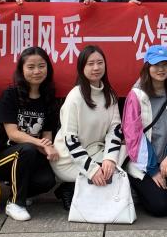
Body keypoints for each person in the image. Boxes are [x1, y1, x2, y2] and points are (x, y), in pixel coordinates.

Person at [123, 45, 167, 217]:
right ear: (147, 67)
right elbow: (133, 137)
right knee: (161, 208)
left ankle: (161, 186)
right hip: (142, 161)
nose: (161, 69)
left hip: (166, 156)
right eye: (156, 65)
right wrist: (153, 169)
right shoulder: (136, 95)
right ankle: (139, 187)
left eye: (165, 64)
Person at [52, 45, 125, 210]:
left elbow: (115, 130)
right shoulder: (75, 97)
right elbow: (70, 140)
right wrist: (92, 170)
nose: (96, 68)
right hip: (68, 159)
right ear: (81, 68)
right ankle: (69, 188)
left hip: (96, 151)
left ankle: (79, 186)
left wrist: (109, 158)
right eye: (90, 64)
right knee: (107, 174)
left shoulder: (110, 95)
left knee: (125, 156)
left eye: (100, 63)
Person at [0, 47, 60, 222]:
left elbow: (47, 136)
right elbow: (13, 134)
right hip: (2, 157)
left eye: (41, 66)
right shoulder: (10, 95)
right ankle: (15, 202)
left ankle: (20, 189)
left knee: (47, 180)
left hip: (30, 154)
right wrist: (39, 144)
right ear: (21, 70)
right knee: (27, 149)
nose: (37, 71)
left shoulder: (49, 99)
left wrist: (48, 147)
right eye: (31, 67)